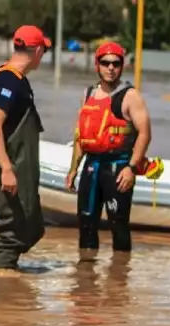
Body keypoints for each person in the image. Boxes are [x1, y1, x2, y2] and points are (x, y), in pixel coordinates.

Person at [65, 42, 152, 254]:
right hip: (92, 165)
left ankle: (120, 276)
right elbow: (81, 137)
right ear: (97, 65)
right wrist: (73, 168)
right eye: (105, 63)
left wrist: (131, 168)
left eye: (115, 63)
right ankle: (85, 277)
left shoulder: (131, 96)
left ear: (122, 66)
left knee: (118, 224)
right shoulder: (88, 94)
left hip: (119, 166)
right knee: (86, 223)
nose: (110, 68)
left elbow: (145, 134)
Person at [0, 25, 49, 270]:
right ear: (37, 50)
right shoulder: (8, 80)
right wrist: (6, 168)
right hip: (10, 167)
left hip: (20, 167)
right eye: (44, 50)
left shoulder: (16, 80)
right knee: (16, 232)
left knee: (33, 228)